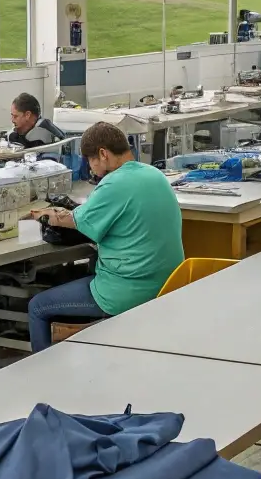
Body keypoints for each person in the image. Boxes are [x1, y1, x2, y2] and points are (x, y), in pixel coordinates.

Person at [27, 122, 183, 350]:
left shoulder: (113, 184)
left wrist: (42, 214)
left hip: (127, 292)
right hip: (168, 284)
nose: (91, 169)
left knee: (37, 307)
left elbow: (73, 220)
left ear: (103, 153)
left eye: (91, 161)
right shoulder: (154, 175)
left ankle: (41, 379)